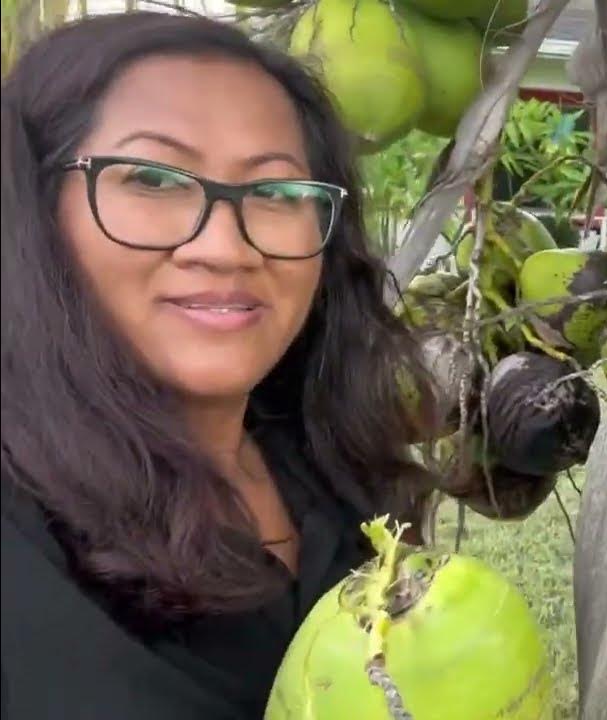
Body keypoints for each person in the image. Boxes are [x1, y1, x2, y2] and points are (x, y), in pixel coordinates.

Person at [1, 11, 440, 719]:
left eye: (277, 193)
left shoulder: (329, 469)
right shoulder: (21, 535)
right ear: (37, 213)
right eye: (151, 178)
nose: (226, 247)